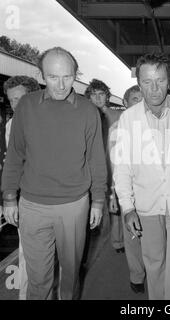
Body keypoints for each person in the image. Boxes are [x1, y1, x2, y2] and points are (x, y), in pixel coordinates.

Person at [1, 47, 107, 300]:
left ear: (75, 75)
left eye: (68, 77)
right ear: (41, 75)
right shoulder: (26, 105)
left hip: (74, 206)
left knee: (70, 275)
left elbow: (96, 160)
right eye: (52, 77)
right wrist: (8, 197)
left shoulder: (88, 111)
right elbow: (15, 154)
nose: (61, 85)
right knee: (38, 279)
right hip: (32, 206)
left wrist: (99, 201)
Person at [112, 52, 170, 300]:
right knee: (154, 263)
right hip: (146, 204)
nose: (154, 88)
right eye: (147, 82)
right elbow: (122, 165)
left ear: (169, 79)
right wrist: (127, 207)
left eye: (160, 80)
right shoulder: (128, 118)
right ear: (138, 83)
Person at [3, 75, 40, 300]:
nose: (15, 105)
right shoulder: (11, 125)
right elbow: (13, 165)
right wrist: (9, 199)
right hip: (28, 198)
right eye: (11, 100)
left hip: (61, 201)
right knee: (29, 256)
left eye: (19, 98)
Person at [84, 79, 124, 257]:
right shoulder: (82, 115)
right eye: (94, 94)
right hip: (90, 169)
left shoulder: (119, 116)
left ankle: (117, 241)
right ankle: (87, 246)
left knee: (114, 207)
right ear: (89, 97)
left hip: (113, 166)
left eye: (101, 94)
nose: (98, 98)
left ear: (107, 96)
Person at [120, 84, 145, 294]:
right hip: (127, 192)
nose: (140, 102)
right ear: (125, 103)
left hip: (151, 193)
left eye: (142, 98)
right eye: (135, 99)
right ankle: (137, 276)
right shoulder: (117, 129)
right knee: (133, 237)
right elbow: (115, 165)